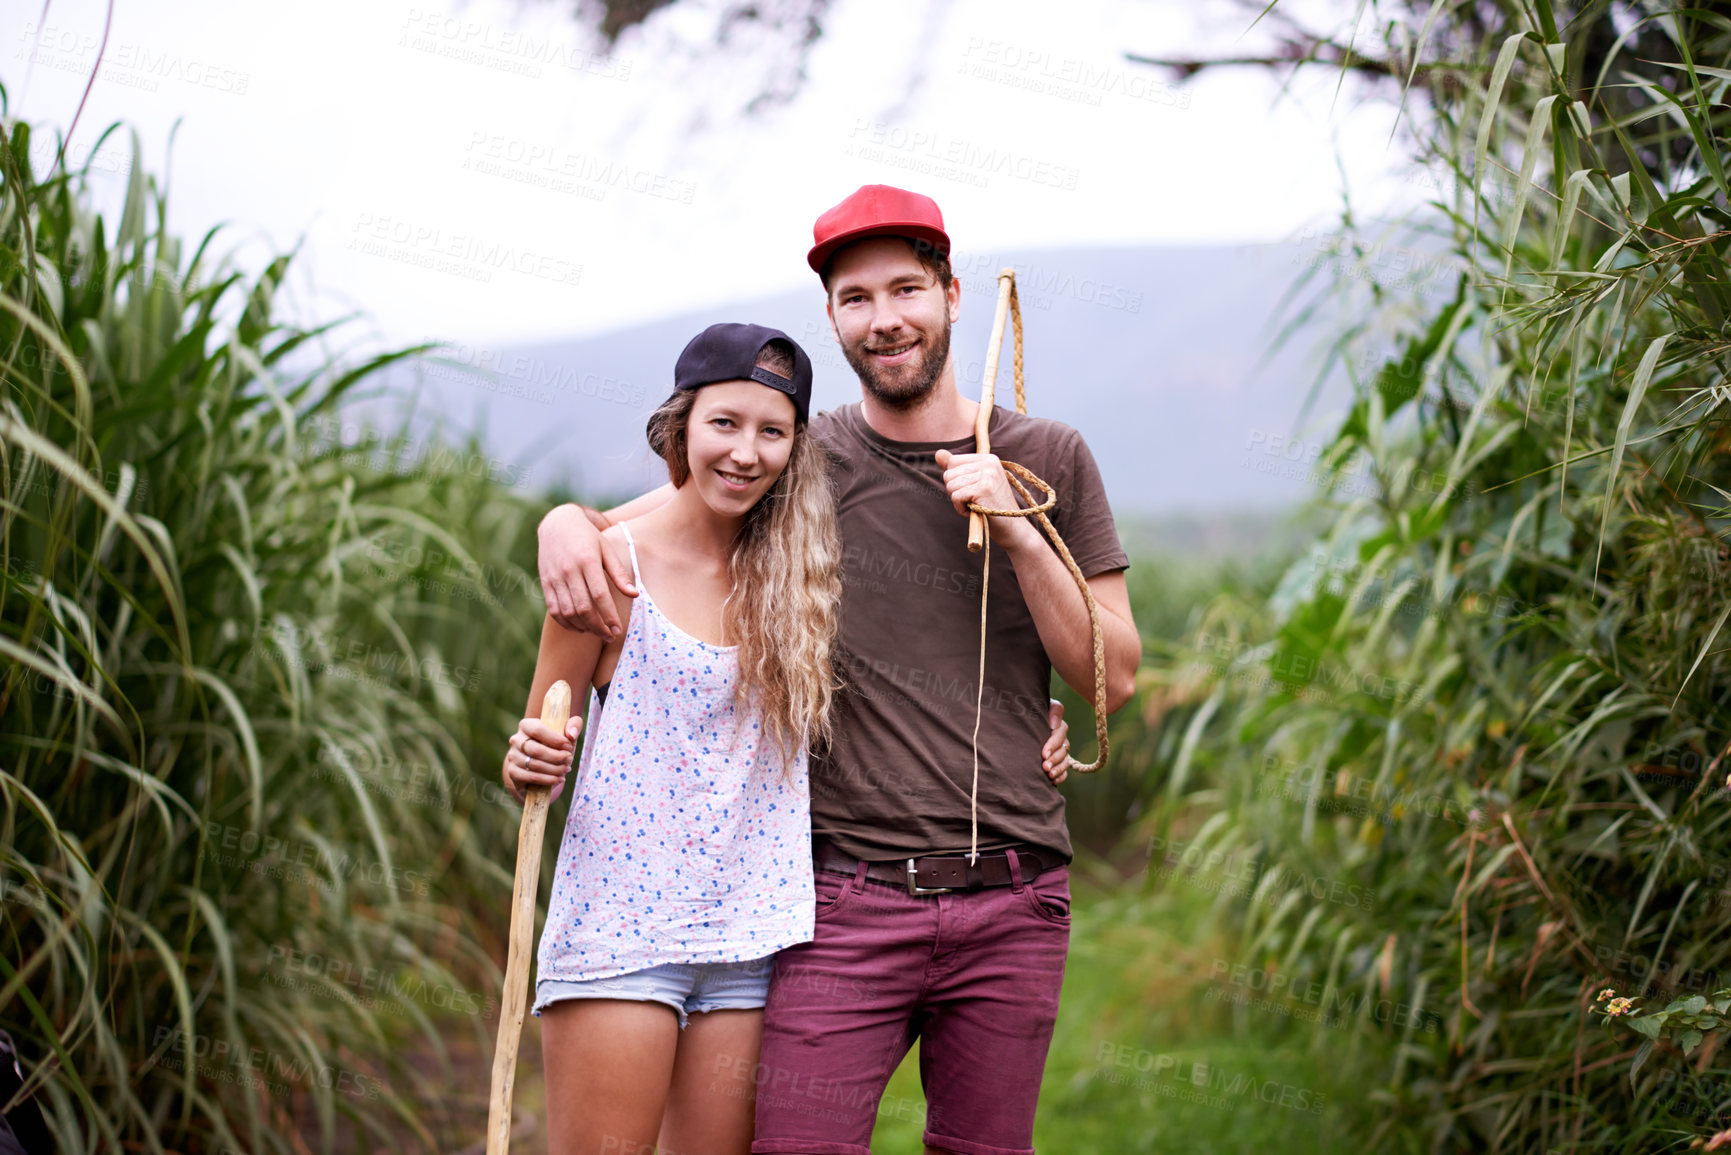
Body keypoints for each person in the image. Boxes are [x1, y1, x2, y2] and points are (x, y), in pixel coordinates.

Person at [535, 185, 1143, 1155]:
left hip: (1017, 893)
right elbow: (652, 528)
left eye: (907, 288)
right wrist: (562, 523)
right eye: (856, 299)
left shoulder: (1047, 454)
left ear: (951, 294)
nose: (886, 318)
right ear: (833, 319)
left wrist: (1021, 528)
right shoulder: (799, 465)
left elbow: (1111, 682)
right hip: (840, 899)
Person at [501, 323, 840, 1155]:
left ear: (795, 447)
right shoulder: (606, 570)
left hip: (748, 942)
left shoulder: (799, 572)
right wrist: (526, 758)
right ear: (680, 426)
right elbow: (542, 734)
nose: (745, 451)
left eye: (773, 431)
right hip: (620, 937)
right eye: (724, 423)